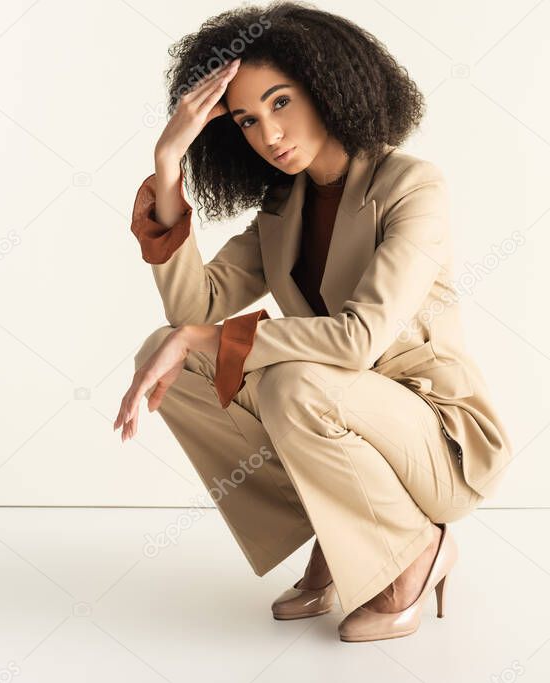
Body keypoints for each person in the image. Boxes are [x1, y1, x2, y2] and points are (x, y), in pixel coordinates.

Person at [113, 0, 512, 642]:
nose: (268, 134)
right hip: (340, 415)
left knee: (291, 383)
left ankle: (416, 550)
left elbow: (358, 340)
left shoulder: (412, 185)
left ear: (326, 85)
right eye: (245, 119)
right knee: (171, 354)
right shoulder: (282, 207)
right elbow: (192, 313)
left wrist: (210, 336)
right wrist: (167, 167)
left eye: (280, 102)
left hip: (436, 438)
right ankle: (343, 530)